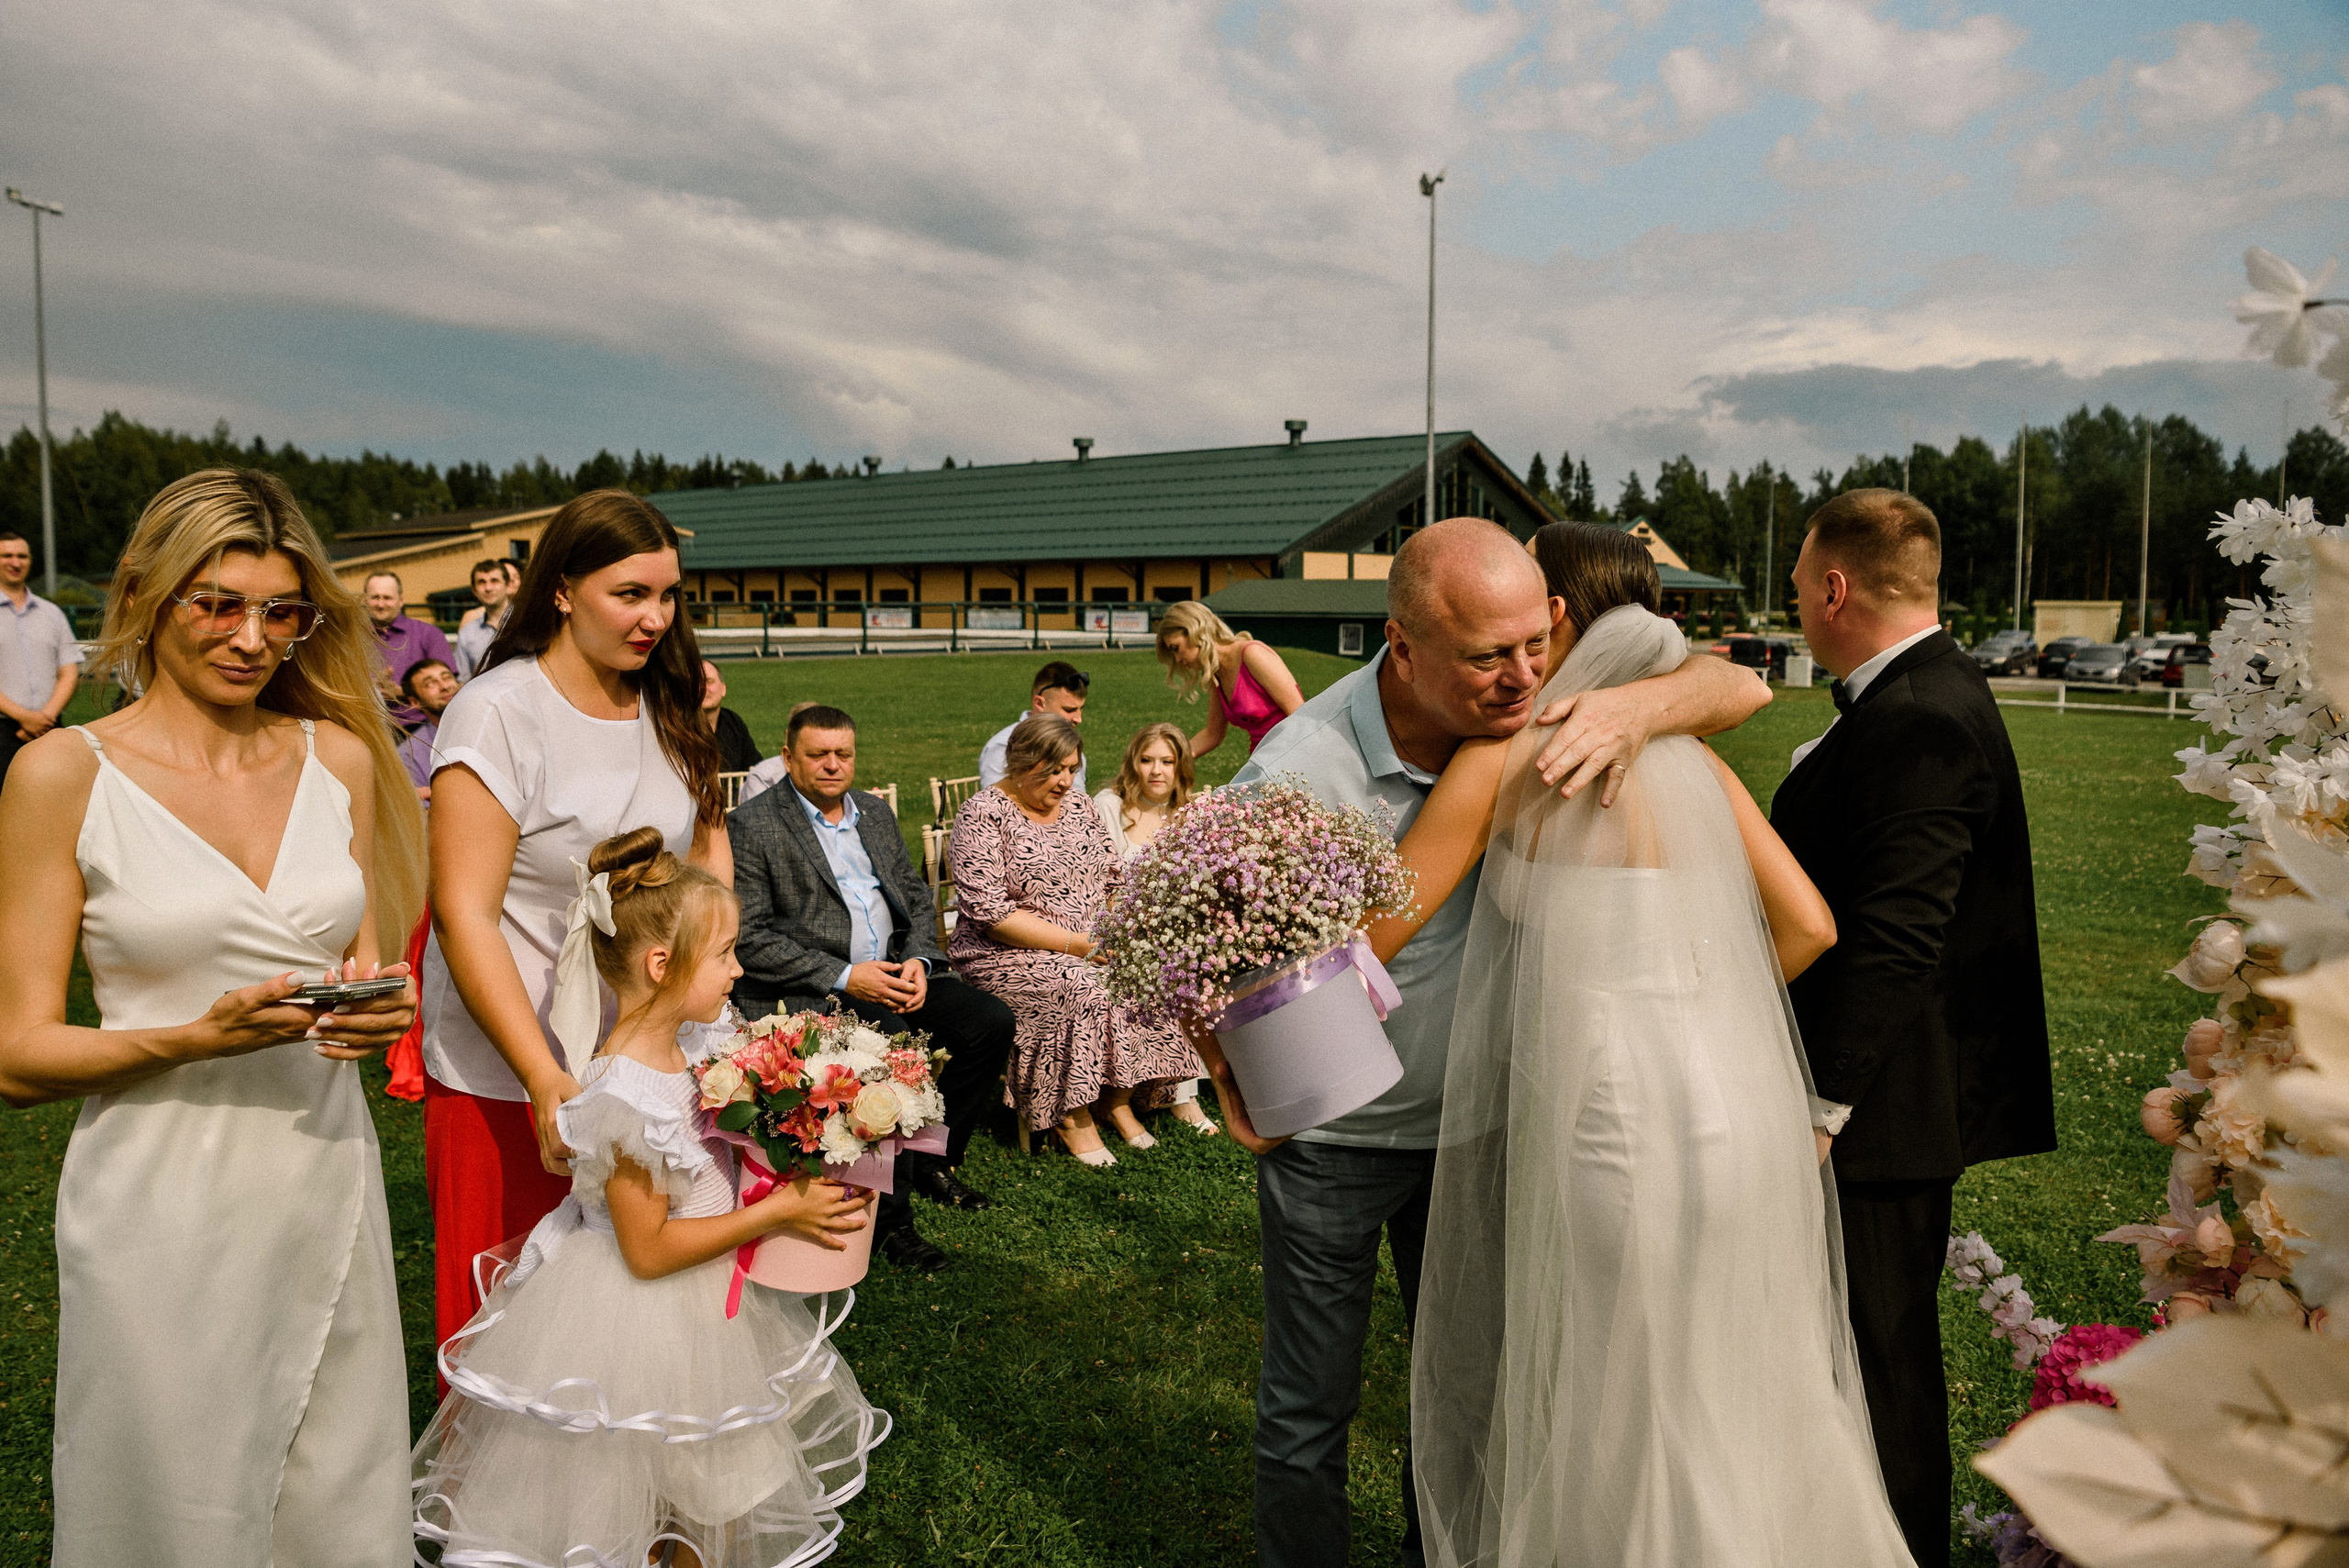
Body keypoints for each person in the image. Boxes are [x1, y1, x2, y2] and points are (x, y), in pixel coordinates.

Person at [1204, 516, 1770, 1568]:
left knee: (1467, 1395)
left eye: (1533, 645)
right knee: (1306, 1407)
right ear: (1403, 645)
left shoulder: (1537, 709)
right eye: (1485, 657)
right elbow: (1202, 940)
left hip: (1482, 1124)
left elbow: (1737, 687)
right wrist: (1215, 1054)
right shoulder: (1301, 774)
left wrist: (1632, 702)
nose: (1519, 678)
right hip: (1334, 1138)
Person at [1400, 519, 1914, 1567]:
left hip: (1608, 1120)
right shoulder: (1697, 767)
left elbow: (1372, 927)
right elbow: (1809, 926)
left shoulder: (1503, 766)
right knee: (1740, 1379)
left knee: (1621, 1388)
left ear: (1553, 618)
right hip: (1735, 1106)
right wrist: (1705, 990)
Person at [0, 468, 425, 1565]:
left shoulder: (334, 755)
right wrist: (194, 1036)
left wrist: (381, 1006)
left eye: (282, 611)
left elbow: (363, 959)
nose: (253, 638)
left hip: (322, 1170)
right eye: (219, 602)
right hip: (159, 1195)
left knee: (334, 1483)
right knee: (172, 1492)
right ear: (144, 591)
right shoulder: (61, 773)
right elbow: (17, 1050)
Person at [413, 827, 884, 1568]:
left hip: (704, 1304)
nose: (738, 967)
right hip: (637, 1318)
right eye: (724, 953)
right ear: (661, 964)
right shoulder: (625, 1097)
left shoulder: (697, 1048)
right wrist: (778, 1211)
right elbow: (648, 1248)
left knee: (712, 1502)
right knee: (630, 1500)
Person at [1770, 490, 2054, 1567]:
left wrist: (1818, 1103)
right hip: (1879, 1101)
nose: (1796, 601)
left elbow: (1899, 934)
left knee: (1881, 1359)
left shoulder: (1921, 714)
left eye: (1799, 584)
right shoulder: (1912, 696)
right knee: (1858, 1349)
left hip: (1878, 1110)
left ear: (1835, 588)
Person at [421, 488, 730, 1362]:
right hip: (512, 1064)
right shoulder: (497, 712)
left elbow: (706, 866)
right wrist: (542, 1076)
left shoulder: (665, 703)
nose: (656, 618)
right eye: (630, 593)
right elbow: (465, 912)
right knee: (516, 1313)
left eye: (669, 596)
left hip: (643, 1061)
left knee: (641, 1314)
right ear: (561, 589)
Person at [729, 703, 1016, 1273]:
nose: (833, 765)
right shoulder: (754, 825)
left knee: (989, 1024)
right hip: (819, 986)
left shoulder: (876, 815)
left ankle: (935, 1157)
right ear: (788, 757)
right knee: (895, 1049)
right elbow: (750, 935)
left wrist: (918, 961)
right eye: (818, 755)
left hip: (892, 972)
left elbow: (912, 896)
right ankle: (892, 1224)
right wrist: (845, 975)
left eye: (844, 754)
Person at [950, 716, 1196, 1163]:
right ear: (1021, 763)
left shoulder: (1080, 808)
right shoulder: (983, 814)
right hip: (1005, 953)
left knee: (1144, 968)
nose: (1064, 781)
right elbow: (992, 914)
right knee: (1081, 985)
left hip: (1088, 944)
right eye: (1053, 770)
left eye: (1070, 768)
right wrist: (1079, 945)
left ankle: (1116, 1099)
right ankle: (1069, 1114)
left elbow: (1113, 880)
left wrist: (1124, 933)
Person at [1092, 722, 1218, 1135]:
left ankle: (1181, 1091)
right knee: (1165, 972)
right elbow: (1097, 883)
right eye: (1147, 760)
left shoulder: (1186, 813)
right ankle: (1135, 1097)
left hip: (1170, 932)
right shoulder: (1109, 806)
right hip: (1112, 928)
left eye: (1167, 761)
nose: (1157, 771)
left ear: (1182, 767)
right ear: (1133, 763)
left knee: (1197, 968)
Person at [1154, 600, 1304, 758]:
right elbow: (1212, 734)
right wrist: (1168, 757)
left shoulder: (1252, 654)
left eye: (1176, 648)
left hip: (1290, 755)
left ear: (1195, 631)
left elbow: (1299, 713)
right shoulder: (1216, 674)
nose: (1177, 659)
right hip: (1262, 759)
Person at [0, 529, 80, 786]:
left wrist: (45, 718)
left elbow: (68, 671)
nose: (15, 562)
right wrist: (24, 717)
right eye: (7, 555)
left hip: (49, 728)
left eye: (22, 556)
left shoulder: (52, 613)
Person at [976, 660, 1089, 794]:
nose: (1078, 719)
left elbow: (1079, 802)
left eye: (1080, 709)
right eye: (1069, 710)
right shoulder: (1003, 746)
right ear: (1039, 703)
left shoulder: (1072, 748)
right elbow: (994, 806)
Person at [363, 570, 454, 730]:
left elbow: (449, 687)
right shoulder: (352, 640)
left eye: (387, 598)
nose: (381, 604)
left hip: (422, 727)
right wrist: (372, 691)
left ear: (401, 600)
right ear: (365, 600)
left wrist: (401, 692)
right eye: (375, 597)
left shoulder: (428, 634)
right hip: (372, 729)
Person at [399, 658, 460, 802]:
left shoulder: (492, 724)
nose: (444, 686)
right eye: (430, 684)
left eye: (447, 677)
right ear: (415, 702)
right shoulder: (410, 754)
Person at [451, 557, 517, 679]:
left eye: (494, 581)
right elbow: (463, 680)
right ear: (474, 590)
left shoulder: (526, 622)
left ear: (508, 586)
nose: (488, 588)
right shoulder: (467, 633)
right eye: (482, 582)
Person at [701, 656, 763, 773]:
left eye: (709, 682)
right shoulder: (677, 727)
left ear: (723, 689)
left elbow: (755, 768)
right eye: (697, 683)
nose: (704, 688)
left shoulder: (734, 723)